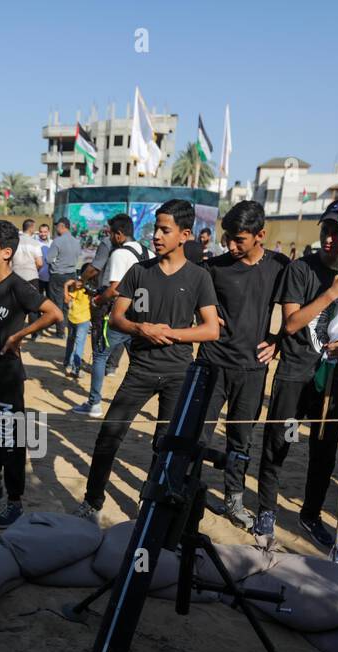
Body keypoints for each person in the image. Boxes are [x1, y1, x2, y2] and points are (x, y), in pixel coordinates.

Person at [73, 200, 221, 521]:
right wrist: (142, 328)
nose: (156, 235)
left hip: (178, 373)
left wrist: (171, 333)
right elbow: (117, 319)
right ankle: (92, 501)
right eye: (155, 228)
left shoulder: (199, 277)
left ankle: (150, 505)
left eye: (164, 230)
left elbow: (210, 329)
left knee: (165, 446)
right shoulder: (139, 271)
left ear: (184, 235)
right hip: (140, 370)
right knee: (109, 434)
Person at [253, 199, 338, 548]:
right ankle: (266, 511)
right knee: (280, 442)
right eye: (325, 230)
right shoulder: (300, 270)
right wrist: (332, 293)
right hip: (295, 372)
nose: (329, 239)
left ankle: (311, 514)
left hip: (334, 377)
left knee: (323, 451)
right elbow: (292, 324)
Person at [0, 219, 63, 528]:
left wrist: (20, 336)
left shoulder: (19, 286)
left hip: (7, 378)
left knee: (10, 439)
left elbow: (54, 313)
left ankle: (14, 501)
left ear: (6, 252)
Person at [201, 200, 289, 530]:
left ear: (260, 235)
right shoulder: (215, 268)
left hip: (253, 369)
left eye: (239, 239)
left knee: (241, 438)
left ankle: (233, 498)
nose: (232, 246)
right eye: (228, 238)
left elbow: (295, 312)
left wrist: (278, 339)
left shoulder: (280, 267)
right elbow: (198, 305)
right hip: (212, 363)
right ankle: (190, 489)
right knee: (200, 433)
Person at [67, 214, 147, 415]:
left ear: (119, 235)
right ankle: (130, 406)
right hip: (140, 317)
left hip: (117, 315)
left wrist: (96, 301)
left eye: (110, 233)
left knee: (100, 356)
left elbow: (114, 290)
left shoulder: (119, 254)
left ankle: (94, 403)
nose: (108, 237)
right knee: (138, 363)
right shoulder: (147, 252)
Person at [47, 218, 82, 347]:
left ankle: (60, 331)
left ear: (62, 226)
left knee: (57, 303)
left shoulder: (57, 241)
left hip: (58, 275)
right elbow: (79, 257)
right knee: (68, 303)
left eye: (57, 226)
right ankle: (67, 328)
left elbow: (49, 258)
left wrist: (55, 266)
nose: (56, 228)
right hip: (72, 275)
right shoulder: (76, 242)